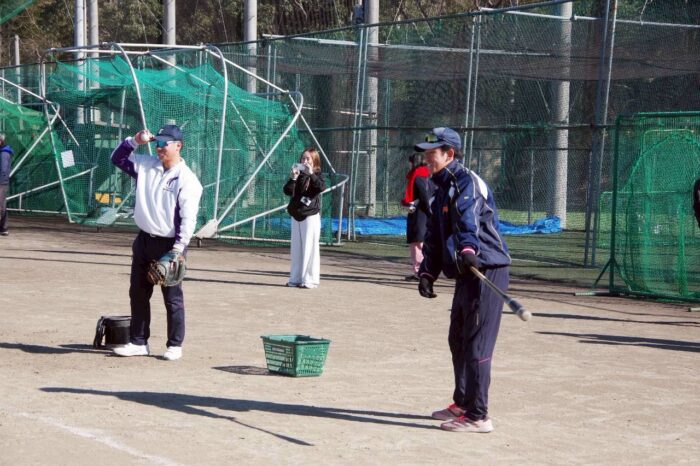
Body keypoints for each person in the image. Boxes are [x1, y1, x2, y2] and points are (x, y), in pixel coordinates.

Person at [415, 127, 511, 433]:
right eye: (426, 153)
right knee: (457, 338)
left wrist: (469, 249)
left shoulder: (466, 182)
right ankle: (463, 402)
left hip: (486, 268)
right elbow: (434, 235)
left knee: (476, 344)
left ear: (449, 154)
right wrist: (428, 272)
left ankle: (479, 416)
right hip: (466, 273)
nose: (427, 159)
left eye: (432, 154)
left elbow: (468, 220)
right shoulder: (438, 187)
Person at [110, 124, 203, 361]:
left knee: (172, 297)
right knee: (138, 293)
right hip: (144, 240)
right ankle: (139, 342)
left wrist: (178, 249)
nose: (159, 147)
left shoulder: (187, 180)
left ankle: (175, 345)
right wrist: (135, 141)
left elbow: (188, 218)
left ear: (178, 146)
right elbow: (117, 158)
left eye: (164, 143)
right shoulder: (146, 165)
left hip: (169, 245)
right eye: (157, 142)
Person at [283, 148, 326, 289]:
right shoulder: (299, 175)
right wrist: (293, 178)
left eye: (308, 159)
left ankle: (309, 279)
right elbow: (287, 191)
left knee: (309, 248)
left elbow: (321, 187)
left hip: (310, 215)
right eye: (303, 158)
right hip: (296, 215)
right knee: (296, 249)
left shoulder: (317, 175)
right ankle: (295, 278)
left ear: (314, 161)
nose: (305, 161)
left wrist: (311, 173)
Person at [401, 153, 434, 281]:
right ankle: (420, 271)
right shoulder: (428, 174)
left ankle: (420, 272)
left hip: (420, 213)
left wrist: (412, 203)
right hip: (422, 212)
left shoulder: (419, 176)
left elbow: (424, 196)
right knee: (420, 242)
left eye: (410, 162)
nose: (409, 164)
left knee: (418, 242)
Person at [0, 133, 14, 236]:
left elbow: (3, 170)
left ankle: (4, 228)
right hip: (3, 182)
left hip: (1, 183)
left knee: (1, 206)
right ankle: (3, 228)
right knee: (2, 205)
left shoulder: (3, 153)